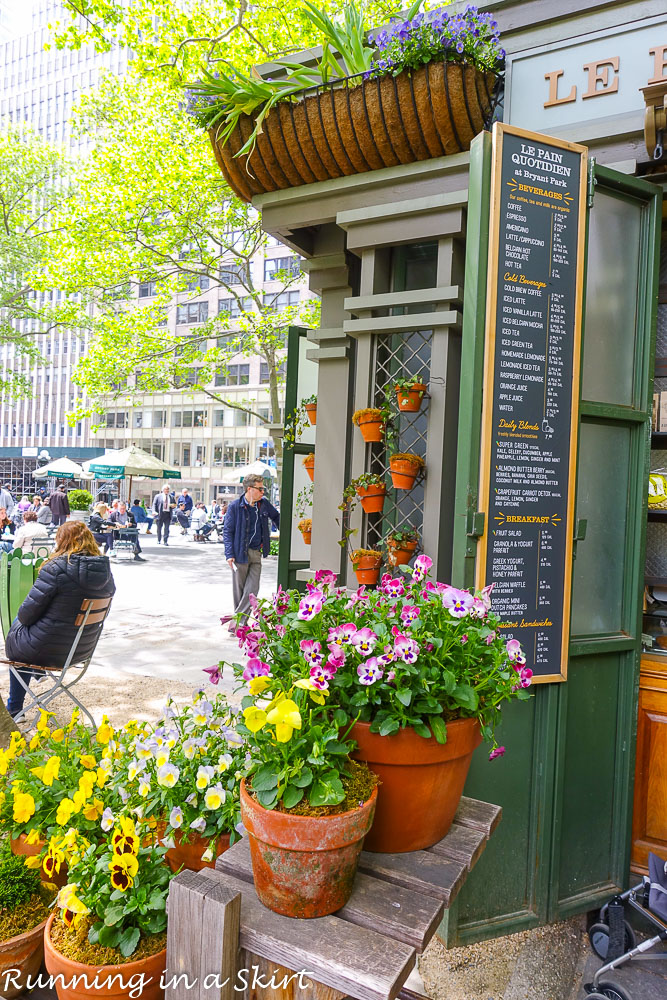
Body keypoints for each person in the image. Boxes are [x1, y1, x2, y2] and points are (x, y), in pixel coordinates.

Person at [4, 521, 116, 719]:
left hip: (46, 650)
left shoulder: (55, 568)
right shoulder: (105, 571)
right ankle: (36, 674)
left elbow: (26, 615)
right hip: (80, 650)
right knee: (29, 637)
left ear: (62, 541)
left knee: (18, 625)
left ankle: (15, 708)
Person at [223, 474, 279, 629]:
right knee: (239, 591)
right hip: (239, 553)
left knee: (252, 590)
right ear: (250, 489)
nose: (263, 492)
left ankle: (236, 621)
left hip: (256, 553)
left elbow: (278, 518)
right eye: (260, 489)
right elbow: (227, 531)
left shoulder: (264, 504)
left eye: (263, 489)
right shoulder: (235, 506)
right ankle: (240, 625)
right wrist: (229, 554)